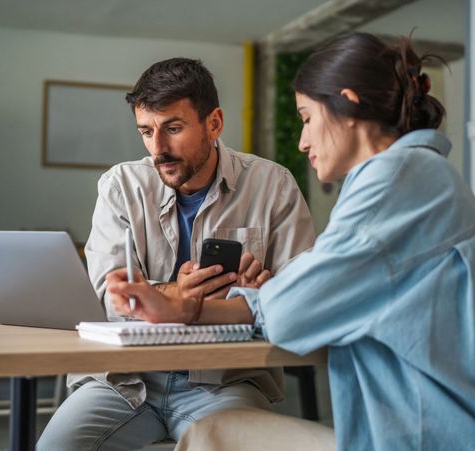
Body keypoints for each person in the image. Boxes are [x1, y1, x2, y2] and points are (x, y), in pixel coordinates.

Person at [112, 34, 475, 451]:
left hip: (442, 440)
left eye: (306, 118)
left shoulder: (392, 185)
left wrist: (193, 308)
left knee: (213, 434)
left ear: (348, 105)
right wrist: (259, 297)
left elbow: (293, 310)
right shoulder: (423, 176)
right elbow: (312, 291)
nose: (302, 141)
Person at [37, 58, 315, 450]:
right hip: (125, 379)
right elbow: (109, 295)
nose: (158, 149)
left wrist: (262, 294)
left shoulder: (273, 185)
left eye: (173, 128)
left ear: (214, 123)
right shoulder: (120, 186)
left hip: (226, 381)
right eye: (146, 132)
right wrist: (178, 293)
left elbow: (301, 296)